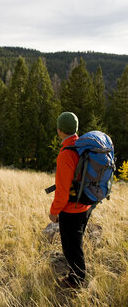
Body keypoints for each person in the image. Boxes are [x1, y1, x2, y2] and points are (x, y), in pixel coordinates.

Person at [49, 111, 92, 288]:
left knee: (71, 248)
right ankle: (77, 276)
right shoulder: (83, 146)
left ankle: (76, 281)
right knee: (76, 243)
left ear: (60, 131)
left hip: (71, 210)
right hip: (86, 205)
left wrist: (53, 212)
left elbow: (62, 192)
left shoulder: (66, 154)